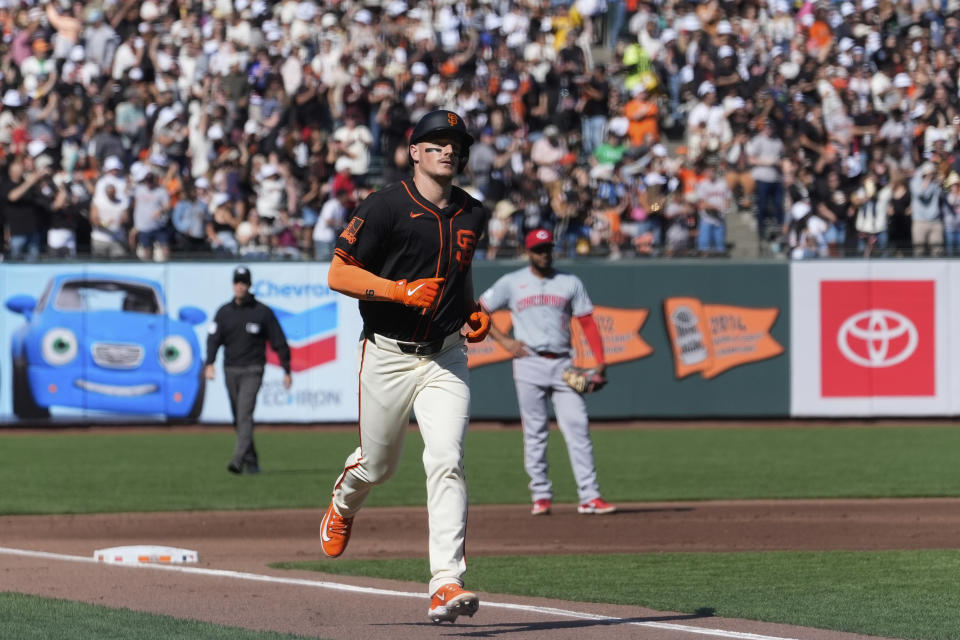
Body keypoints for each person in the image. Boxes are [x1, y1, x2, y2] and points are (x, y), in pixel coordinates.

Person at [321, 109, 490, 624]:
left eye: (455, 144)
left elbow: (457, 277)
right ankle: (343, 504)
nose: (448, 150)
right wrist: (397, 291)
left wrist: (472, 311)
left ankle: (445, 582)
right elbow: (338, 273)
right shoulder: (385, 206)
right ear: (414, 151)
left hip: (445, 355)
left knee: (447, 457)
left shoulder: (474, 212)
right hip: (388, 354)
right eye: (436, 142)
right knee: (379, 464)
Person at [478, 228, 616, 518]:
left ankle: (589, 496)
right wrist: (505, 341)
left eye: (548, 248)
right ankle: (540, 495)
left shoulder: (569, 281)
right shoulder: (512, 282)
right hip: (528, 362)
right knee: (535, 432)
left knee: (578, 426)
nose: (544, 254)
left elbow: (588, 323)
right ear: (528, 252)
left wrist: (600, 361)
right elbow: (478, 311)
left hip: (564, 363)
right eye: (539, 249)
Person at [205, 266, 292, 475]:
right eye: (237, 282)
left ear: (249, 285)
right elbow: (214, 339)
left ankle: (237, 460)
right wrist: (209, 363)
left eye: (243, 283)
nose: (239, 286)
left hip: (253, 370)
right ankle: (252, 461)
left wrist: (286, 369)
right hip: (230, 369)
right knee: (238, 417)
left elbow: (279, 340)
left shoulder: (262, 312)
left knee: (244, 414)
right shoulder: (224, 312)